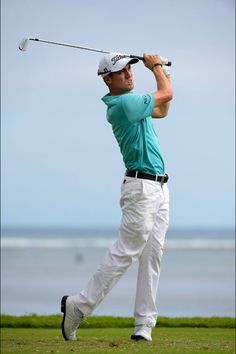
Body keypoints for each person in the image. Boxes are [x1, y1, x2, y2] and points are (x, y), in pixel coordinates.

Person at [61, 52, 173, 342]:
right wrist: (157, 67)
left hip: (159, 188)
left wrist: (164, 74)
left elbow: (163, 109)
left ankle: (143, 326)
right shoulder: (124, 104)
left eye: (130, 69)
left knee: (152, 256)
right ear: (108, 79)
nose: (129, 74)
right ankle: (80, 305)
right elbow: (165, 93)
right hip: (141, 188)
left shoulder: (134, 104)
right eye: (122, 71)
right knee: (127, 251)